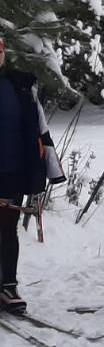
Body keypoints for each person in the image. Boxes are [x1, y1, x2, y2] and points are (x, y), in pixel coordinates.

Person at [0, 37, 65, 312]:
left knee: (6, 229)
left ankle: (7, 286)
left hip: (12, 169)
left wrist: (48, 166)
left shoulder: (20, 84)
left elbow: (39, 128)